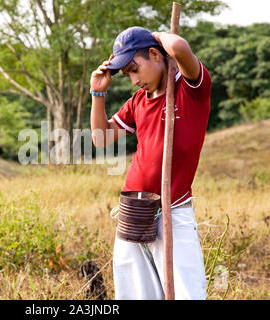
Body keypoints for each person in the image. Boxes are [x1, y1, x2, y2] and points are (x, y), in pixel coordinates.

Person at [90, 27, 211, 299]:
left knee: (186, 293)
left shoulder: (190, 89)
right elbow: (100, 137)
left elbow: (179, 47)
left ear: (155, 54)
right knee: (135, 293)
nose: (133, 80)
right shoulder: (138, 101)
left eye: (135, 69)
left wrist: (156, 35)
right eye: (128, 74)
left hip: (173, 210)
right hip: (134, 211)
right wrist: (97, 94)